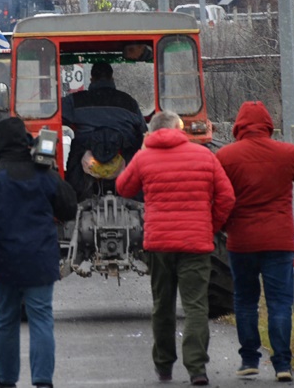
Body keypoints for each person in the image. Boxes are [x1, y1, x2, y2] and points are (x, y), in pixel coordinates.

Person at [0, 117, 77, 388]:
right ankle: (43, 381)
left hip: (5, 264)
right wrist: (51, 170)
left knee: (7, 321)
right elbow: (69, 209)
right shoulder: (44, 175)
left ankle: (7, 380)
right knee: (41, 318)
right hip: (41, 263)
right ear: (27, 143)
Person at [115, 110, 235, 386]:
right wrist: (210, 225)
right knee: (195, 306)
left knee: (162, 306)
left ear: (152, 133)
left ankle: (164, 367)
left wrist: (143, 152)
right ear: (179, 129)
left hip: (159, 244)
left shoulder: (145, 156)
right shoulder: (204, 156)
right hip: (195, 243)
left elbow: (123, 187)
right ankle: (196, 369)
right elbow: (227, 197)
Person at [216, 101, 294, 382]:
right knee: (280, 302)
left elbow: (218, 193)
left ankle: (249, 360)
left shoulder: (226, 156)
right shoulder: (288, 152)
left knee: (245, 300)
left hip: (241, 241)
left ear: (238, 125)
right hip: (278, 241)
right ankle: (281, 364)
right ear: (268, 124)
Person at [61, 62, 147, 200]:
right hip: (123, 154)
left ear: (92, 79)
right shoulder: (129, 102)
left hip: (85, 154)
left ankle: (74, 199)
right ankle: (137, 197)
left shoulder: (75, 100)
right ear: (112, 78)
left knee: (75, 154)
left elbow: (55, 114)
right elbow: (142, 129)